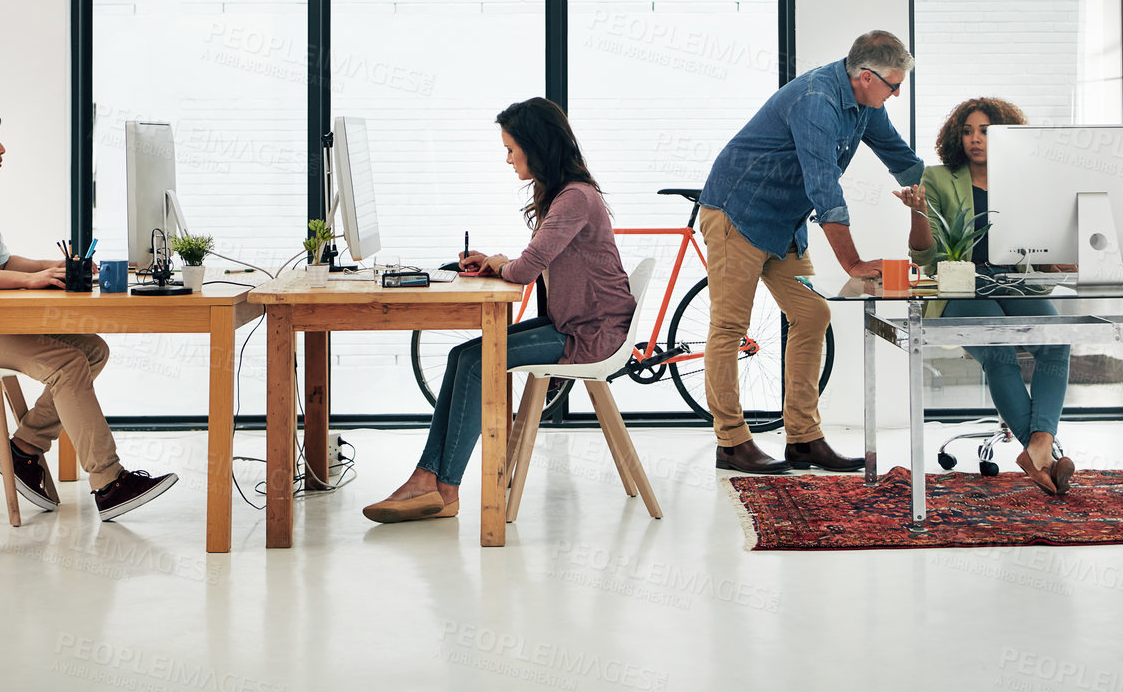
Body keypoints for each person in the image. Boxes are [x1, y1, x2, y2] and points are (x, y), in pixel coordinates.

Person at [0, 100, 178, 522]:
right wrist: (29, 281)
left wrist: (54, 267)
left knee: (91, 349)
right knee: (64, 362)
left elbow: (2, 263)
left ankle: (22, 450)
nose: (1, 148)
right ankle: (110, 483)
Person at [363, 97, 636, 524]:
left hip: (591, 334)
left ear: (537, 146)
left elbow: (526, 270)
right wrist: (498, 262)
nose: (507, 159)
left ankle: (443, 489)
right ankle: (426, 479)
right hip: (575, 323)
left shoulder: (575, 199)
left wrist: (504, 265)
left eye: (511, 149)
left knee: (475, 362)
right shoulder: (566, 196)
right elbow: (533, 263)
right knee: (461, 356)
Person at [698, 30, 926, 475]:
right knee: (729, 325)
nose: (897, 94)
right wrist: (854, 264)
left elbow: (901, 158)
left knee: (812, 315)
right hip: (736, 213)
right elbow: (824, 187)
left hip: (783, 221)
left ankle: (803, 440)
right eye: (893, 85)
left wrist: (957, 185)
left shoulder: (865, 104)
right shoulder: (816, 101)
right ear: (865, 76)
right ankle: (731, 442)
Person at [897, 96, 1076, 496]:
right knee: (999, 349)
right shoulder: (938, 178)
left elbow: (1035, 245)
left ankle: (1038, 447)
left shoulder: (1023, 180)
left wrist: (1054, 263)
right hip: (960, 285)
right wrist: (918, 212)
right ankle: (1041, 453)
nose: (974, 139)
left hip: (1013, 282)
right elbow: (926, 256)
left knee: (1057, 340)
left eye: (985, 131)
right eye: (967, 131)